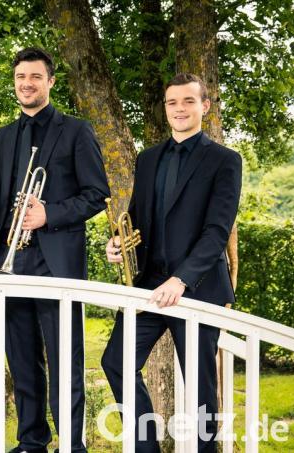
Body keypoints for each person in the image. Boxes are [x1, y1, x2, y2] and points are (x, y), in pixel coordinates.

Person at [101, 73, 242, 452]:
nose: (179, 109)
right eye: (172, 103)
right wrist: (119, 243)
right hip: (149, 286)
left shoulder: (225, 160)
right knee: (116, 361)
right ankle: (147, 447)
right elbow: (135, 217)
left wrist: (181, 280)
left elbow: (216, 231)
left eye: (188, 102)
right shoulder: (146, 160)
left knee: (199, 389)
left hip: (196, 289)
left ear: (204, 106)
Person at [0, 48, 110, 453]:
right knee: (21, 361)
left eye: (35, 76)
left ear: (50, 82)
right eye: (21, 76)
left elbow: (96, 195)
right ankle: (31, 441)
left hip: (56, 265)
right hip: (11, 264)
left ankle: (72, 444)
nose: (27, 83)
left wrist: (48, 213)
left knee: (64, 362)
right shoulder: (2, 138)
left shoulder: (76, 130)